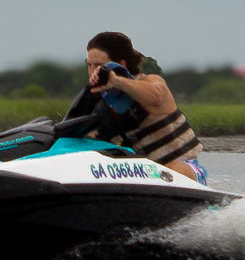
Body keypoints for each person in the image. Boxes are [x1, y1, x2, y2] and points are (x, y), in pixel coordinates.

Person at [83, 31, 208, 184]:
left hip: (183, 171)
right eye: (89, 65)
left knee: (171, 171)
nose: (92, 71)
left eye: (99, 66)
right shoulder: (99, 105)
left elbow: (155, 96)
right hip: (141, 178)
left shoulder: (151, 82)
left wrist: (117, 81)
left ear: (120, 65)